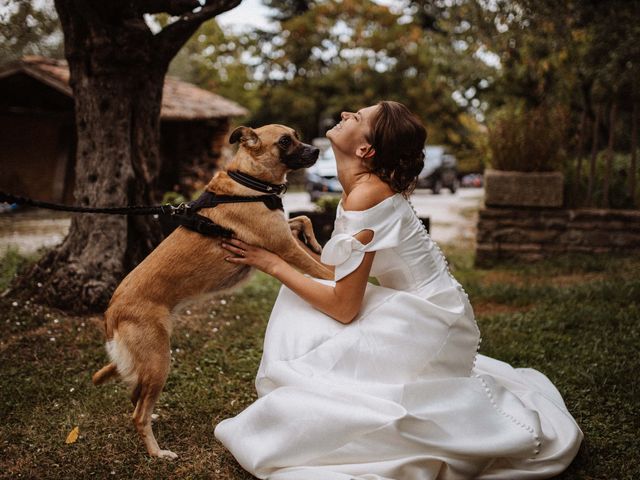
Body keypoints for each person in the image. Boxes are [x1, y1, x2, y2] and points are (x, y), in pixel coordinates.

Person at [215, 101, 583, 479]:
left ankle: (314, 403)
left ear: (365, 150)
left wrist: (272, 263)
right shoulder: (360, 189)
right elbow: (340, 274)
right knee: (304, 298)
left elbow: (344, 306)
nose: (345, 115)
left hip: (430, 321)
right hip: (424, 307)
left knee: (297, 298)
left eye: (357, 118)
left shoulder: (366, 195)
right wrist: (301, 247)